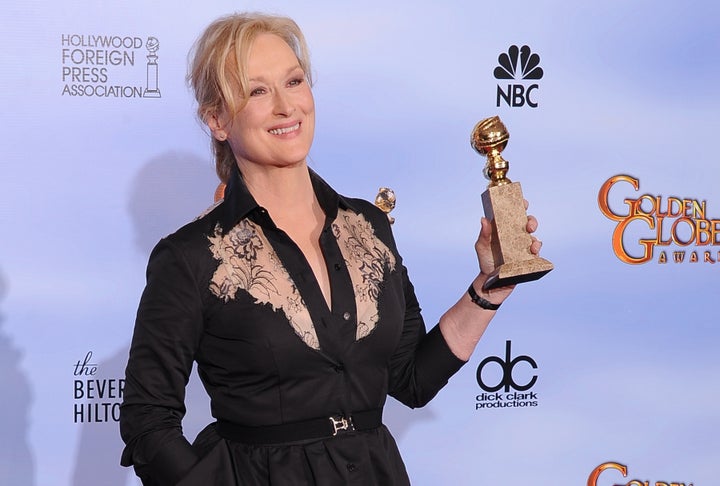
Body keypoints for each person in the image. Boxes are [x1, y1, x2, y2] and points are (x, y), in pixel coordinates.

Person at [119, 12, 543, 486]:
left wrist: (488, 289)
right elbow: (147, 421)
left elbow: (411, 379)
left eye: (294, 81)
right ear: (217, 119)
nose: (286, 106)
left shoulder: (369, 225)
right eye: (257, 91)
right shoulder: (191, 256)